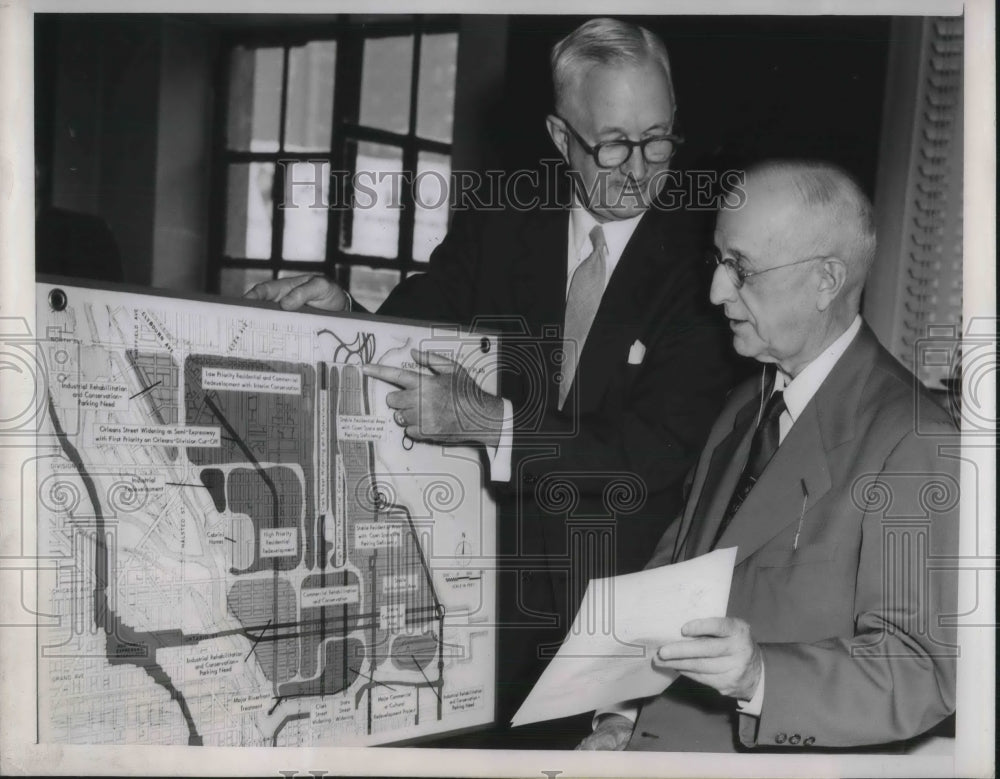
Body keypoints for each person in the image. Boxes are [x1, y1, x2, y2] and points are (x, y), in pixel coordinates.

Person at [247, 18, 734, 747]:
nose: (640, 167)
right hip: (473, 600)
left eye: (658, 137)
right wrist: (346, 312)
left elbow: (650, 449)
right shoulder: (507, 215)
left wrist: (492, 424)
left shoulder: (710, 259)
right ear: (559, 135)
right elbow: (425, 322)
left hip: (614, 640)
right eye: (612, 142)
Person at [578, 160, 959, 752]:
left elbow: (919, 670)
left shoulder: (913, 440)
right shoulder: (743, 404)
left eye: (742, 269)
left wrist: (761, 675)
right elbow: (673, 580)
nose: (715, 290)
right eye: (720, 260)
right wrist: (621, 717)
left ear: (826, 281)